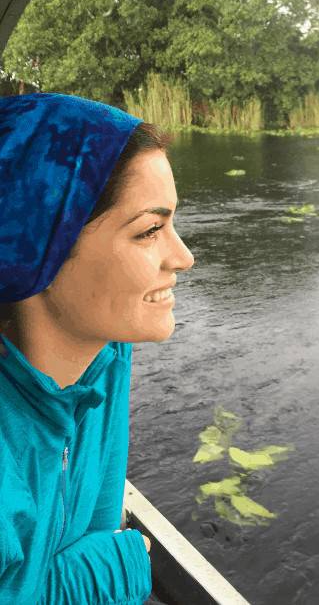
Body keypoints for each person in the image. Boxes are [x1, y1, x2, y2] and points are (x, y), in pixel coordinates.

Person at [0, 92, 195, 603]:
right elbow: (110, 551)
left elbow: (101, 524)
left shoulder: (106, 354)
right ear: (43, 244)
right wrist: (121, 566)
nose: (184, 257)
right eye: (150, 230)